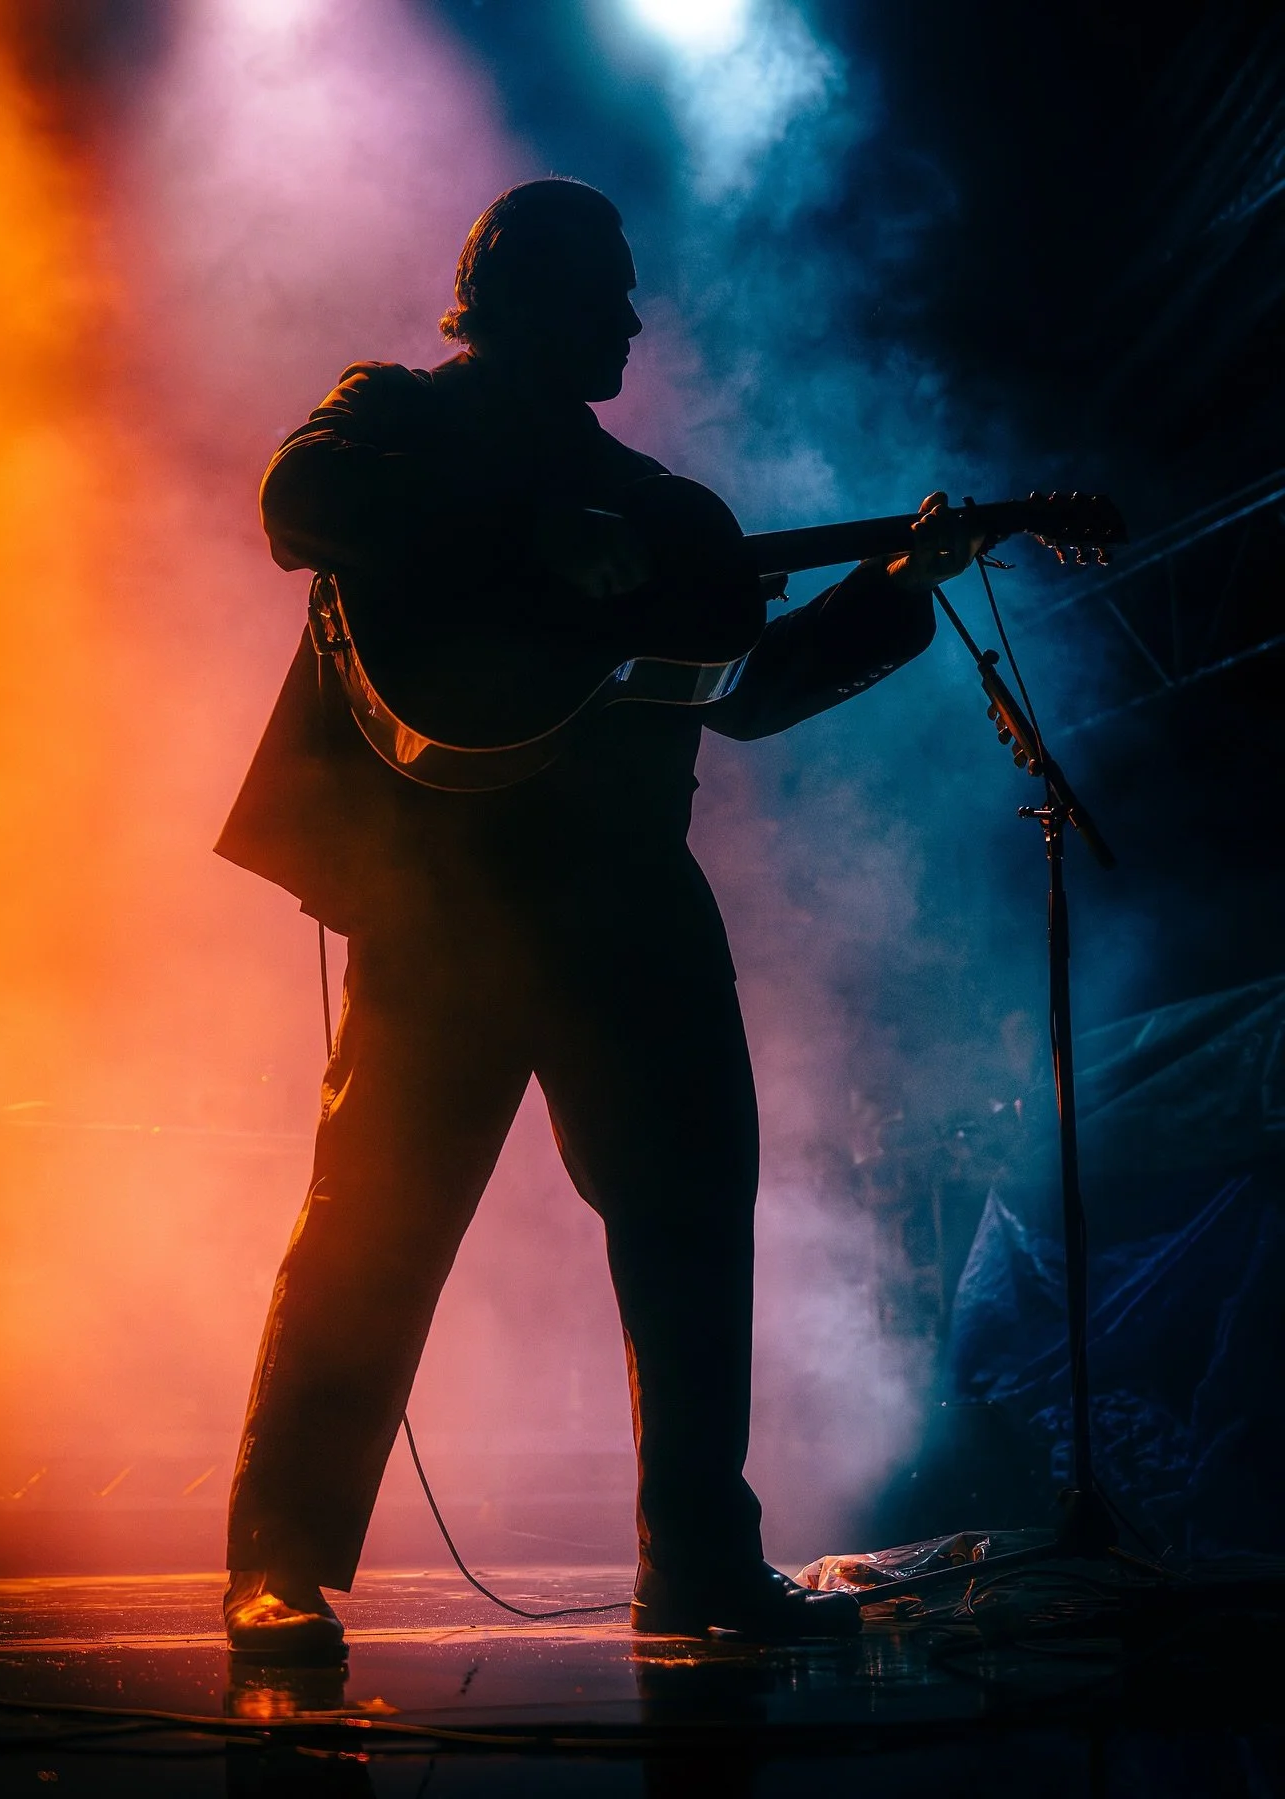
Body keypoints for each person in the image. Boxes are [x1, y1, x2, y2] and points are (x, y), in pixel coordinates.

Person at [216, 178, 983, 1660]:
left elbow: (744, 695)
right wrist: (529, 541)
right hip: (446, 899)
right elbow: (295, 505)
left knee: (691, 1221)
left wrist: (897, 593)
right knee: (373, 1227)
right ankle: (278, 1566)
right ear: (517, 289)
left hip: (631, 899)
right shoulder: (398, 414)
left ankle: (696, 1561)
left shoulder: (669, 511)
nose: (636, 315)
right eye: (607, 286)